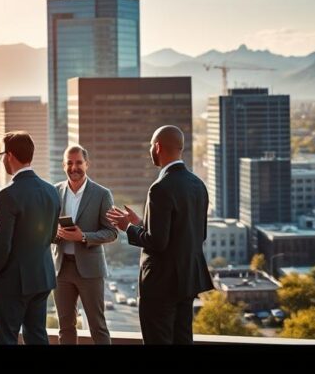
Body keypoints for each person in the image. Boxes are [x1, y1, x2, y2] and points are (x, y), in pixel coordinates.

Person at [106, 125, 213, 344]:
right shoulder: (198, 185)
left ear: (157, 147)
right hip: (186, 281)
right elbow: (194, 234)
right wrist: (141, 223)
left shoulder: (160, 188)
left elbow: (157, 242)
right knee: (183, 339)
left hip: (160, 285)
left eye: (150, 147)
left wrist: (128, 227)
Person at [0, 131, 60, 345]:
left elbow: (3, 246)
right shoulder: (51, 191)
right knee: (37, 336)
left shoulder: (7, 194)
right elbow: (50, 235)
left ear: (9, 156)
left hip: (13, 281)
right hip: (42, 277)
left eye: (1, 155)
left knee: (7, 339)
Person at [52, 144, 117, 344]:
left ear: (87, 164)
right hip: (61, 269)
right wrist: (55, 233)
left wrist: (83, 237)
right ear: (63, 165)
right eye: (69, 163)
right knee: (65, 327)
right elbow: (45, 230)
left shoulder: (102, 194)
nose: (74, 167)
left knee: (98, 326)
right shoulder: (54, 191)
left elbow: (112, 232)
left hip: (90, 271)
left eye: (79, 163)